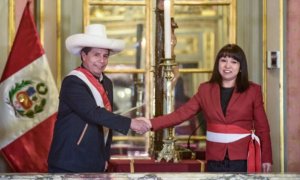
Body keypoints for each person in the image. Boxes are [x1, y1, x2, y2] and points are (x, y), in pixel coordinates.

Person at [143, 44, 273, 172]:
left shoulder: (253, 91)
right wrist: (150, 123)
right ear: (218, 64)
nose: (227, 66)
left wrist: (266, 158)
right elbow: (181, 114)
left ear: (240, 67)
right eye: (223, 61)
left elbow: (263, 128)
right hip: (214, 158)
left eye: (233, 62)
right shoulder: (205, 89)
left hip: (243, 157)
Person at [47, 24, 150, 173]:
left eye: (105, 56)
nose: (101, 60)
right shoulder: (73, 82)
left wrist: (104, 158)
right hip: (69, 162)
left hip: (95, 163)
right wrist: (131, 123)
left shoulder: (107, 83)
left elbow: (105, 126)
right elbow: (94, 113)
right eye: (96, 55)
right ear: (83, 55)